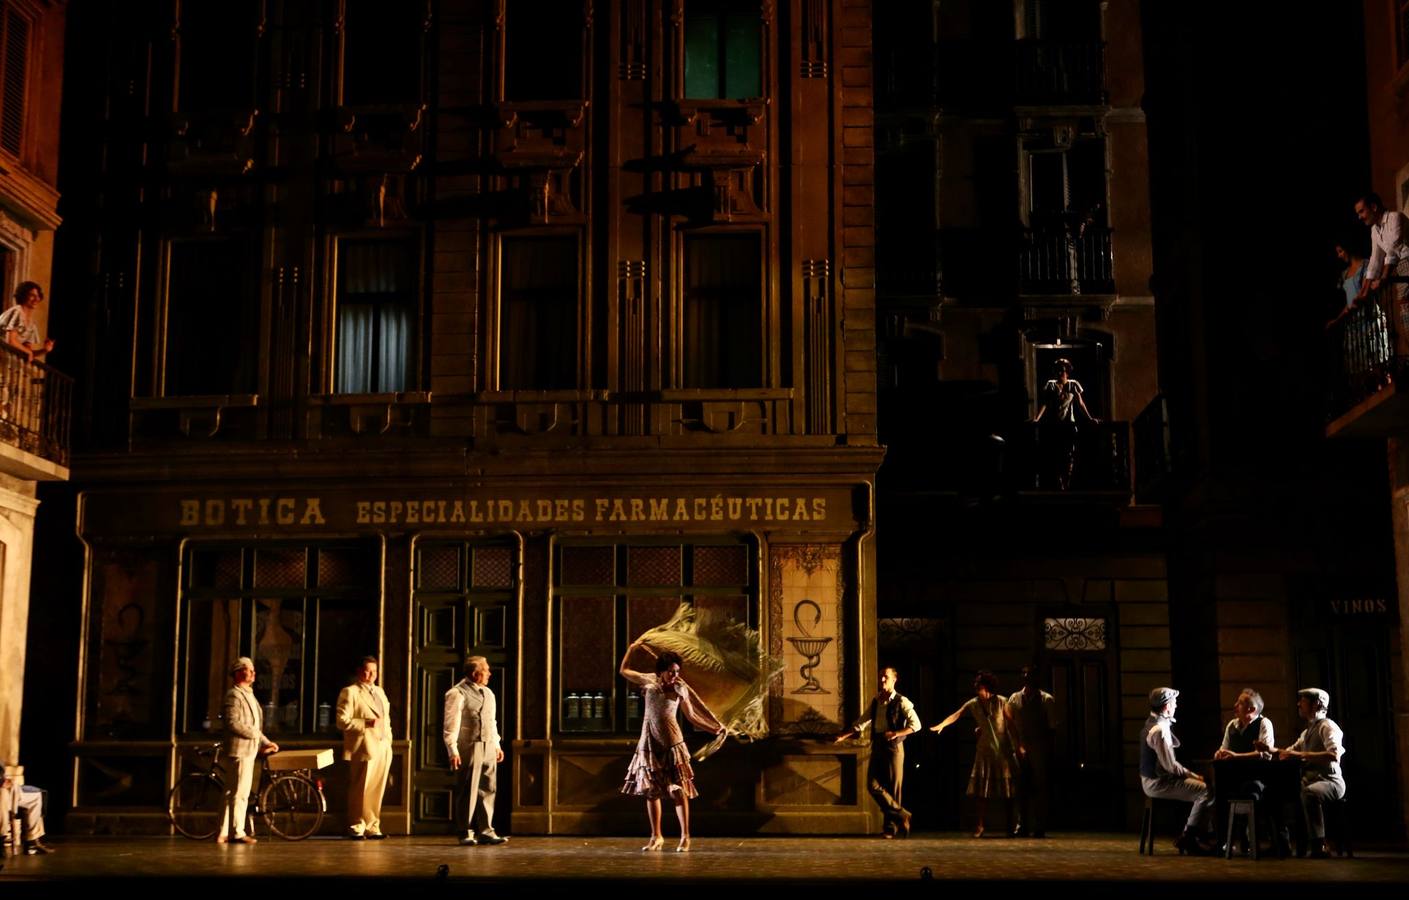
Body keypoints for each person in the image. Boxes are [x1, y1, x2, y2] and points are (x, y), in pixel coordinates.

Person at [620, 639, 728, 852]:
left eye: (677, 671)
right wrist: (632, 648)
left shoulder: (680, 688)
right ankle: (656, 836)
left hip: (672, 742)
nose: (675, 675)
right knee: (651, 791)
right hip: (649, 742)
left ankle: (685, 836)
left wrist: (715, 729)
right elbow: (624, 671)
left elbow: (692, 717)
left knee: (678, 790)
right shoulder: (649, 681)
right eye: (671, 671)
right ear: (661, 671)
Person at [833, 666, 922, 839]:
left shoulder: (901, 701)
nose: (882, 680)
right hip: (878, 745)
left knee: (894, 788)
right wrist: (843, 735)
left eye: (885, 677)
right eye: (880, 676)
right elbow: (862, 722)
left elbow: (916, 725)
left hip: (894, 747)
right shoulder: (876, 701)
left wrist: (896, 733)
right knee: (872, 784)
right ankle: (902, 814)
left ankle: (890, 828)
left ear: (894, 679)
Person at [931, 670, 1018, 838]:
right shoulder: (974, 703)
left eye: (979, 683)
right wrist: (942, 724)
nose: (975, 686)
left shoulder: (1002, 702)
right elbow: (957, 714)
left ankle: (1010, 825)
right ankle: (980, 825)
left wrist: (1018, 745)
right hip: (984, 751)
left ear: (986, 685)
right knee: (981, 792)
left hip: (1002, 751)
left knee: (1007, 791)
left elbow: (1011, 724)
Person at [1139, 686, 1215, 854]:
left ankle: (1202, 836)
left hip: (1156, 779)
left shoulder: (1153, 723)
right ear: (1167, 706)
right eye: (1174, 703)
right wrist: (1195, 776)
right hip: (1157, 783)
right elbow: (1171, 766)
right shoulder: (1159, 730)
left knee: (1205, 789)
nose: (1176, 706)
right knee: (1206, 791)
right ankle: (1189, 838)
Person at [443, 656, 507, 847]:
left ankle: (486, 831)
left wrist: (496, 745)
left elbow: (492, 722)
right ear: (474, 673)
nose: (489, 673)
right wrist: (452, 750)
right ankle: (465, 831)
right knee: (468, 790)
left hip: (488, 745)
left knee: (488, 787)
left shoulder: (488, 693)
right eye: (485, 670)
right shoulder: (457, 693)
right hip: (469, 746)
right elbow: (451, 724)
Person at [1278, 687, 1347, 859]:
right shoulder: (1306, 732)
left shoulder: (1327, 726)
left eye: (1303, 701)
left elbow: (1334, 755)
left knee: (1309, 794)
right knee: (1280, 792)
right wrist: (1268, 749)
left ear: (1316, 704)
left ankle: (1319, 844)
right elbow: (1289, 751)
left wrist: (1302, 754)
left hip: (1331, 781)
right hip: (1310, 780)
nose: (1298, 704)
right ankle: (1282, 844)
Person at [220, 656, 278, 844]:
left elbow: (255, 727)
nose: (253, 672)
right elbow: (233, 723)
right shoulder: (234, 695)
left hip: (249, 750)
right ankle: (236, 832)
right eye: (248, 669)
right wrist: (255, 736)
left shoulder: (249, 695)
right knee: (239, 793)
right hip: (240, 750)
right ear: (238, 673)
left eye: (253, 669)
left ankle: (224, 831)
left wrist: (266, 742)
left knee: (234, 792)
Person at [336, 655, 392, 839]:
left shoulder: (380, 692)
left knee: (377, 788)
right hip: (363, 746)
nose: (371, 675)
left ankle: (373, 825)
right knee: (361, 788)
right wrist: (365, 723)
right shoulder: (350, 692)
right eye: (368, 671)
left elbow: (386, 719)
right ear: (360, 671)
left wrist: (388, 739)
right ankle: (357, 825)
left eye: (374, 671)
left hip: (382, 746)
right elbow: (341, 721)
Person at [1031, 358, 1099, 490]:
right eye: (1059, 370)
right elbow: (1045, 403)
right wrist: (1037, 418)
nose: (1061, 373)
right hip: (1055, 425)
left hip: (1069, 425)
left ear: (1067, 372)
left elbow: (1080, 403)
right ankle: (1060, 482)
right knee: (1056, 454)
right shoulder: (1051, 385)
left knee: (1069, 454)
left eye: (1063, 370)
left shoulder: (1073, 385)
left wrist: (1090, 418)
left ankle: (1067, 481)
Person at [1355, 192, 1409, 356]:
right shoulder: (1374, 230)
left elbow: (1393, 250)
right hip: (1398, 267)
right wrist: (1363, 292)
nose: (1360, 217)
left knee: (1405, 306)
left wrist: (1383, 279)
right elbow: (1375, 261)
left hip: (1406, 262)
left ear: (1374, 207)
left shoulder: (1394, 217)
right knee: (1405, 312)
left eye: (1362, 211)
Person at [1007, 665, 1057, 838]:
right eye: (1025, 675)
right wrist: (1016, 745)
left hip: (1039, 748)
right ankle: (1022, 824)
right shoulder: (1014, 698)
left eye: (1031, 675)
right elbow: (1009, 724)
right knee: (1020, 787)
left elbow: (1052, 727)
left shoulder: (1046, 700)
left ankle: (1039, 825)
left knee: (1039, 787)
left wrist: (1048, 750)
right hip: (1019, 747)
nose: (1027, 678)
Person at [0, 282, 56, 363]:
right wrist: (28, 352)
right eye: (32, 295)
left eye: (38, 296)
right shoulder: (17, 311)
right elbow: (10, 340)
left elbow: (28, 352)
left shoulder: (32, 324)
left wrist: (45, 350)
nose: (36, 299)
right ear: (23, 296)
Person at [0, 770, 53, 855]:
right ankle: (2, 837)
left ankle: (32, 840)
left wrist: (5, 781)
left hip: (8, 790)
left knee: (36, 797)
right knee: (3, 794)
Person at [1214, 688, 1274, 761]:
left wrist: (1236, 756)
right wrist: (1219, 754)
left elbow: (1265, 754)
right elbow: (1224, 749)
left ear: (1252, 709)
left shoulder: (1263, 723)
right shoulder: (1231, 725)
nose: (1235, 705)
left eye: (1241, 703)